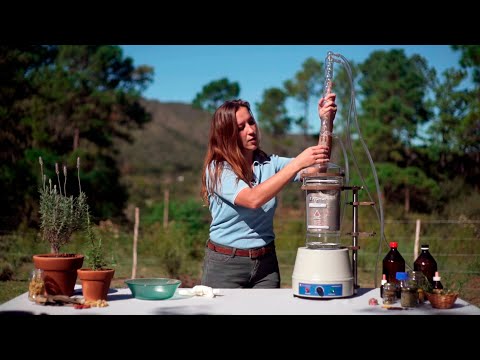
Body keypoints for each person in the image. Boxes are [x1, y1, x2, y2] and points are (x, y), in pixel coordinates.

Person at [200, 92, 337, 288]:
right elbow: (252, 199)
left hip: (266, 265)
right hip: (225, 265)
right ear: (227, 135)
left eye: (251, 122)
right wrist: (297, 163)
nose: (250, 130)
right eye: (241, 127)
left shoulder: (269, 163)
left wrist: (327, 122)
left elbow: (319, 167)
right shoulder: (218, 169)